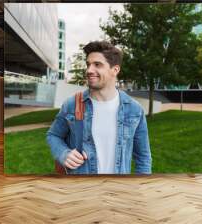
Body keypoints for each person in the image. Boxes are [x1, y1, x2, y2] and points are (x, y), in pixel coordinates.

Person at [47, 40, 151, 174]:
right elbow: (53, 135)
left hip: (118, 190)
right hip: (82, 190)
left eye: (97, 65)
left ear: (115, 70)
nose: (89, 70)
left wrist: (140, 188)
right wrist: (63, 153)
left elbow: (143, 158)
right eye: (88, 64)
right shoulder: (72, 104)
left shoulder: (134, 110)